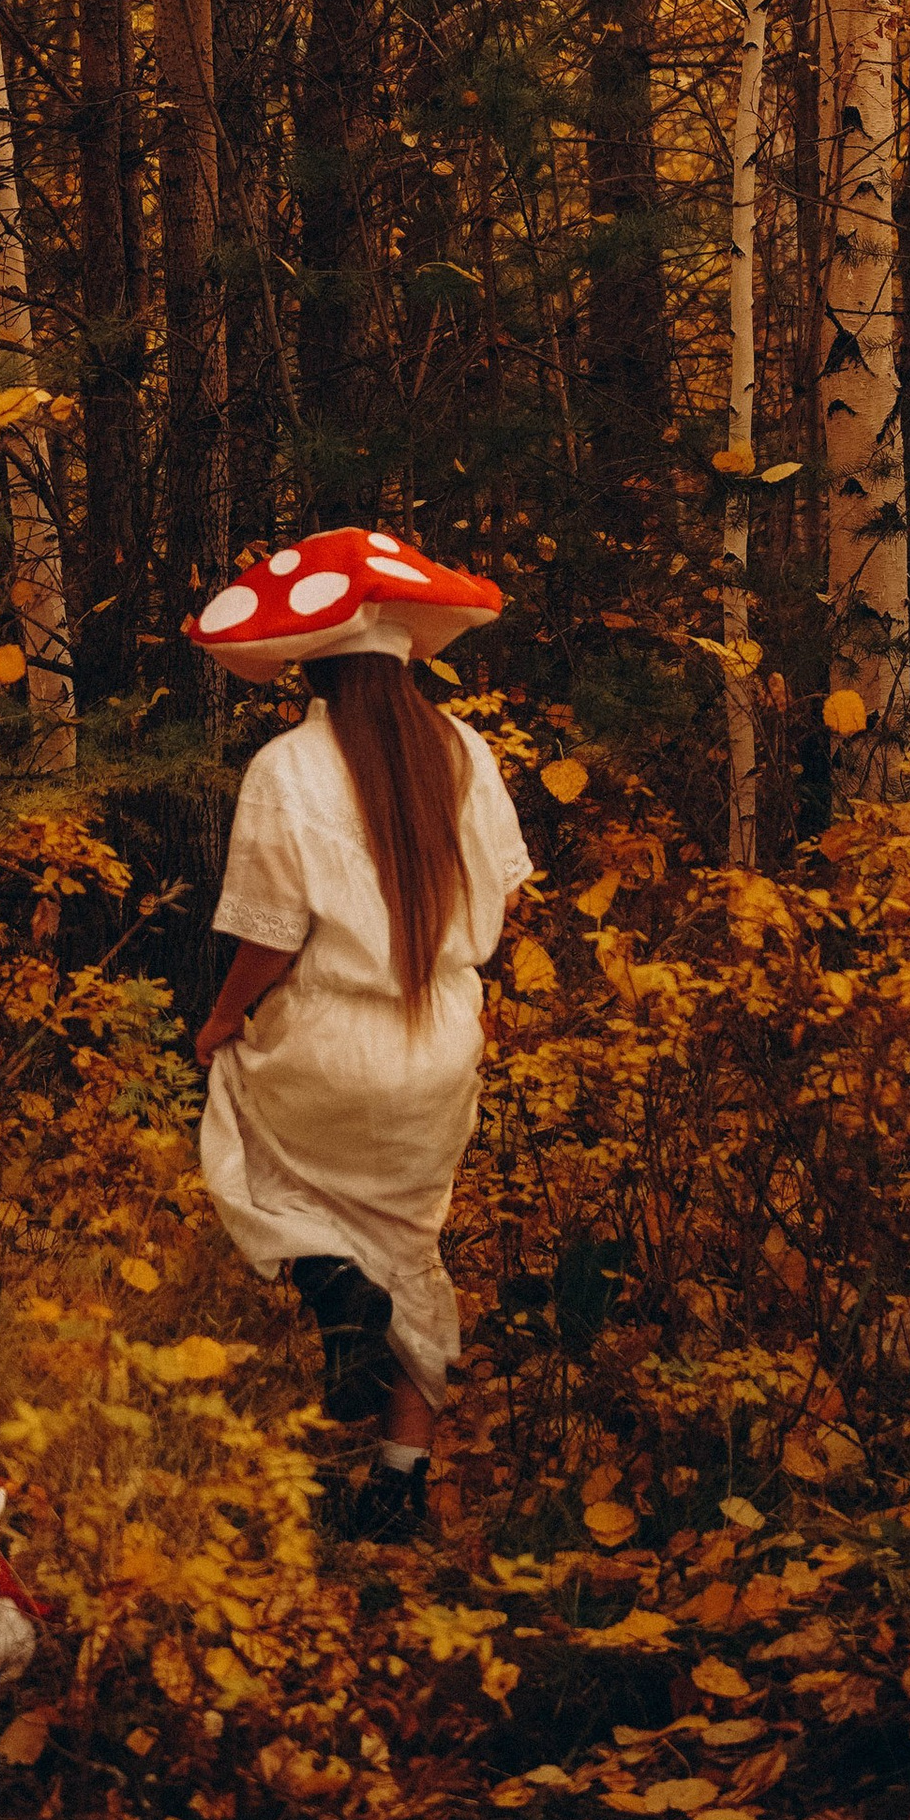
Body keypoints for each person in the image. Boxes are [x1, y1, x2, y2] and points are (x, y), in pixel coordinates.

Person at [183, 527, 528, 1544]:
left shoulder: (286, 767)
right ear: (408, 652)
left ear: (312, 663)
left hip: (326, 1049)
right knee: (412, 1252)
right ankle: (397, 1477)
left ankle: (327, 1280)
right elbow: (508, 898)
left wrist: (221, 1020)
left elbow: (266, 935)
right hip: (435, 1047)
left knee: (241, 1144)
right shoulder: (466, 751)